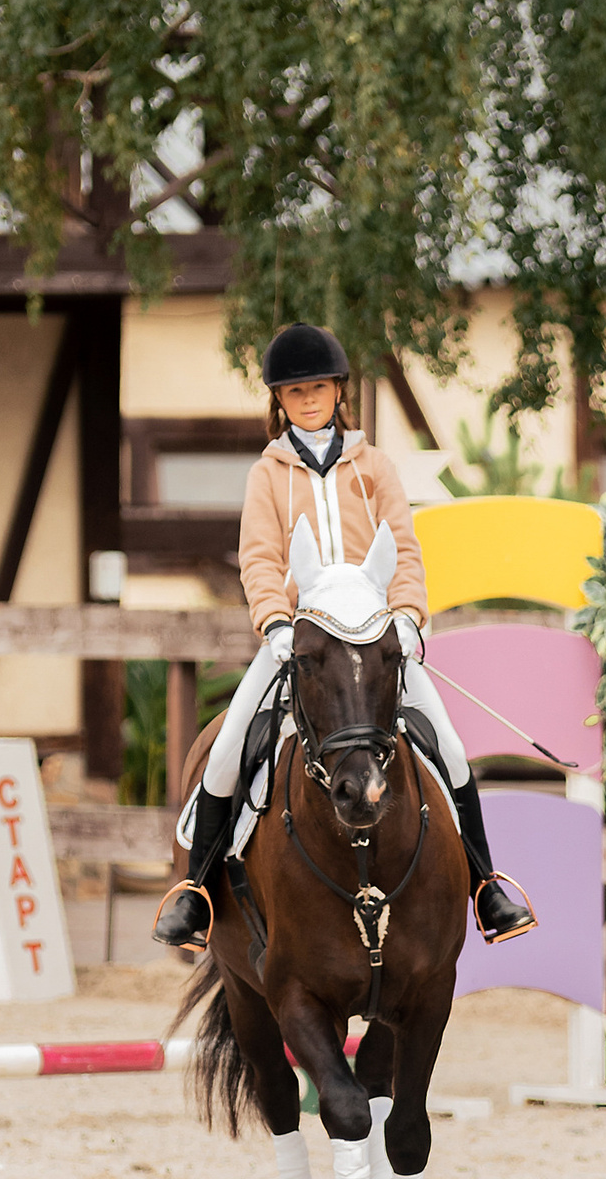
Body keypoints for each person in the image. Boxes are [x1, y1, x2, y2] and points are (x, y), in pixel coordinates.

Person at [151, 322, 537, 952]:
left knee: (454, 752)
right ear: (280, 398)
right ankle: (196, 893)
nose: (308, 399)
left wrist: (408, 614)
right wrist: (276, 622)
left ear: (338, 391)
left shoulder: (373, 467)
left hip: (373, 640)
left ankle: (486, 887)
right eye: (295, 390)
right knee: (225, 754)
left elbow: (405, 549)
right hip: (300, 644)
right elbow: (257, 557)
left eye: (319, 387)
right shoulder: (267, 474)